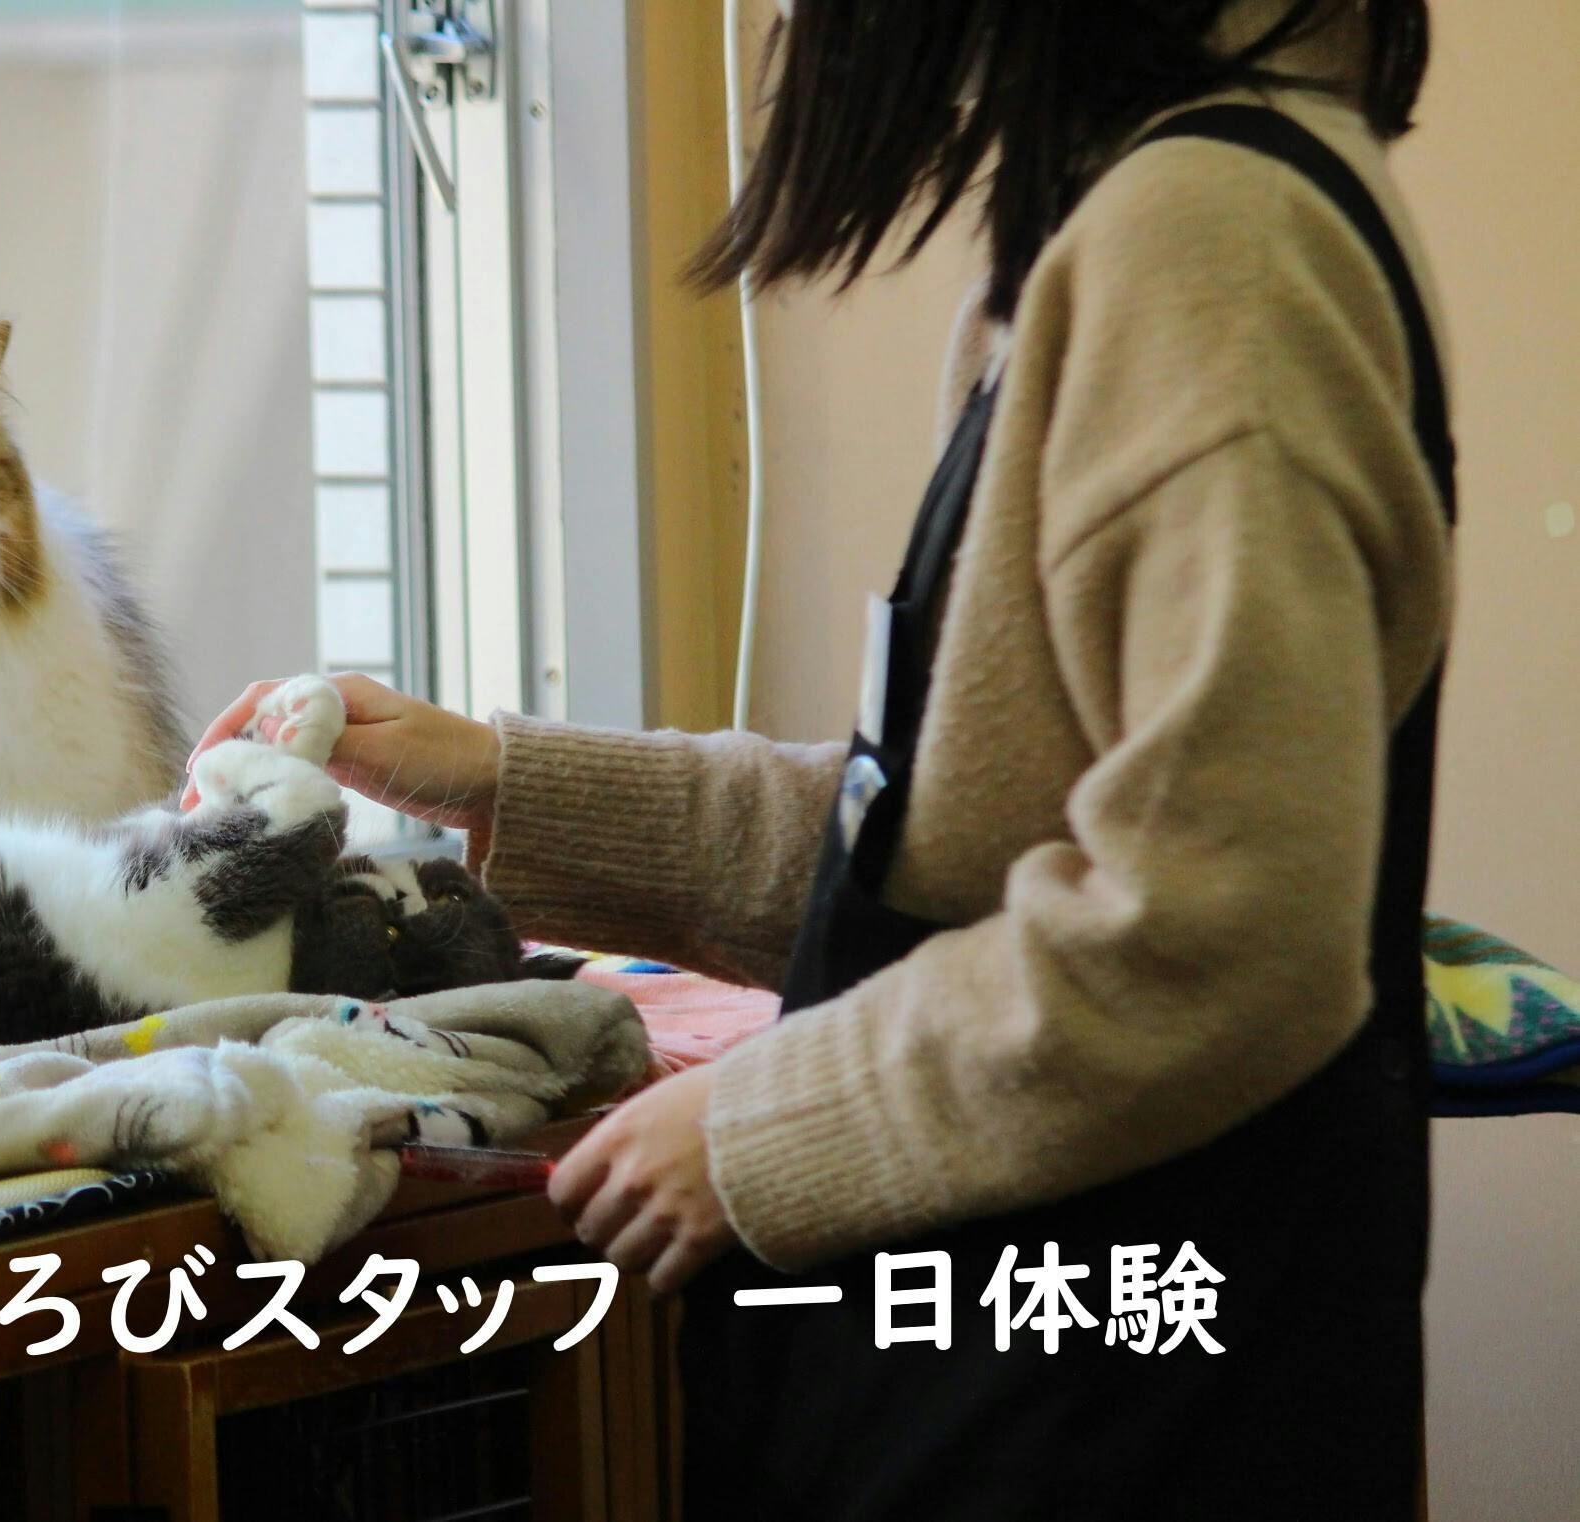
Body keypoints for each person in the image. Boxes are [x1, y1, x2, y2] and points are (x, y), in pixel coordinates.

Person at [190, 0, 1449, 1514]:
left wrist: (761, 1122)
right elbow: (963, 839)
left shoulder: (1211, 246)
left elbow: (1222, 931)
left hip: (1122, 1418)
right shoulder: (1156, 211)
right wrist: (508, 779)